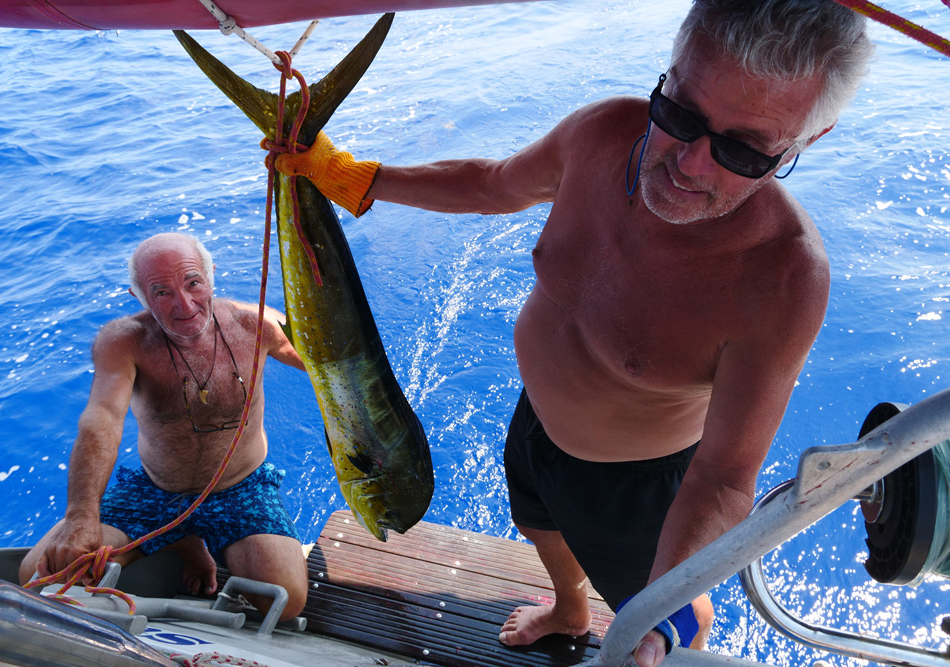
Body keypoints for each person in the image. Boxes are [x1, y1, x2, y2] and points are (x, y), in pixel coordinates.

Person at [273, 0, 875, 663]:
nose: (691, 164)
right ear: (669, 74)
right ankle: (568, 606)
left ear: (807, 139)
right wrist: (352, 177)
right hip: (536, 418)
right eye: (679, 114)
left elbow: (725, 478)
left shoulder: (784, 278)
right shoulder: (603, 132)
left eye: (743, 150)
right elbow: (493, 185)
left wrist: (660, 616)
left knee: (666, 611)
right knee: (537, 522)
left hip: (631, 483)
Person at [19, 232, 309, 622]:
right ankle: (183, 541)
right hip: (156, 490)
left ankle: (189, 537)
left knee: (284, 602)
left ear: (211, 276)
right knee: (41, 577)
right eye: (161, 292)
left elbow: (334, 367)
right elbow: (102, 419)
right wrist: (80, 517)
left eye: (193, 283)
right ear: (138, 296)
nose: (184, 305)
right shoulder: (124, 342)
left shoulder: (258, 325)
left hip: (241, 486)